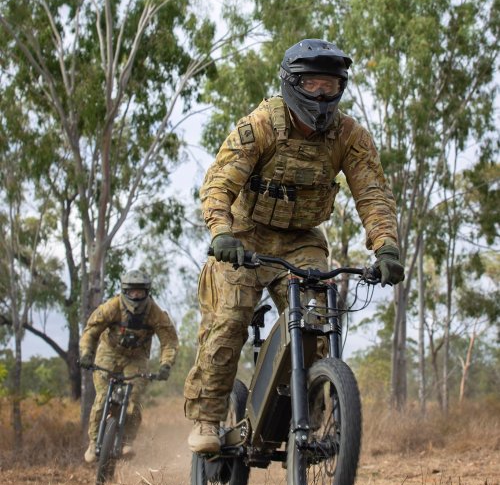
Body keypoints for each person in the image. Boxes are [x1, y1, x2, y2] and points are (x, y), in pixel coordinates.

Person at [184, 38, 405, 453]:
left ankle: (308, 413)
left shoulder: (349, 135)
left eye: (331, 87)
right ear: (291, 84)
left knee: (318, 322)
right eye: (313, 86)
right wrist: (220, 231)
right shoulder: (262, 125)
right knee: (229, 318)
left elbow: (372, 192)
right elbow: (219, 183)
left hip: (303, 239)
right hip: (245, 235)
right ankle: (208, 418)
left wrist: (386, 247)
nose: (322, 97)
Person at [79, 269, 178, 463]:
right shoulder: (112, 307)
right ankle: (93, 443)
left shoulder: (154, 312)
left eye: (140, 292)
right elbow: (91, 331)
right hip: (109, 352)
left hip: (137, 357)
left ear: (147, 292)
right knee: (101, 398)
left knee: (133, 399)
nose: (136, 296)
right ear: (124, 291)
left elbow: (169, 340)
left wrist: (166, 364)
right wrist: (86, 354)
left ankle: (127, 442)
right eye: (132, 292)